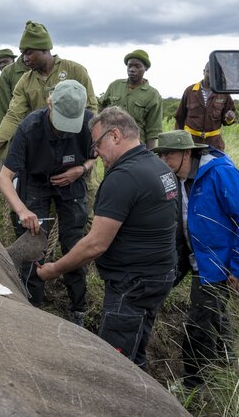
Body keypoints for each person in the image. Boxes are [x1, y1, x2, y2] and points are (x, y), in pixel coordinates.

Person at [37, 107, 178, 370]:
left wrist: (53, 269)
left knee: (114, 367)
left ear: (114, 135)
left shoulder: (124, 176)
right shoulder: (159, 167)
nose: (95, 153)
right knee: (135, 354)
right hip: (158, 276)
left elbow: (95, 244)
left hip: (132, 285)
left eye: (97, 143)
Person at [153, 130, 239, 389]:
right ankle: (227, 367)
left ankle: (194, 383)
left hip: (217, 262)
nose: (164, 159)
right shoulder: (176, 178)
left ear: (187, 153)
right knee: (216, 313)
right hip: (193, 257)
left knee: (199, 323)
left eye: (169, 154)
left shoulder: (219, 173)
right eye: (161, 154)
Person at [0, 79, 95, 326]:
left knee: (75, 242)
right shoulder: (29, 128)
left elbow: (95, 158)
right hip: (36, 181)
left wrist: (80, 169)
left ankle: (78, 309)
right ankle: (33, 304)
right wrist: (22, 210)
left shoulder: (90, 124)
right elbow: (4, 178)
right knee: (33, 239)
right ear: (50, 104)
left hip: (72, 181)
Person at [0, 21, 97, 168]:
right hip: (41, 150)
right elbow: (13, 116)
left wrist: (87, 161)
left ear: (44, 49)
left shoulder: (75, 71)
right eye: (22, 54)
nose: (24, 59)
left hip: (74, 146)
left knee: (81, 188)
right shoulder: (25, 81)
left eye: (29, 53)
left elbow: (91, 110)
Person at [99, 49, 163, 149]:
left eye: (137, 66)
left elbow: (153, 131)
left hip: (135, 147)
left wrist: (150, 156)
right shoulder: (115, 85)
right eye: (130, 66)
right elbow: (100, 108)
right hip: (112, 143)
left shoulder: (153, 95)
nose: (132, 69)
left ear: (145, 68)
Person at [173, 62, 237, 151]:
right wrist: (177, 140)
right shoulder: (190, 91)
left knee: (216, 165)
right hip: (190, 143)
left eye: (215, 74)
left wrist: (230, 118)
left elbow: (228, 119)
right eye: (208, 72)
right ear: (203, 72)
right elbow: (179, 118)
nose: (211, 76)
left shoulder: (223, 93)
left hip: (214, 144)